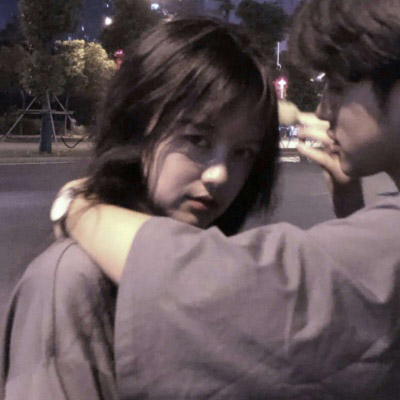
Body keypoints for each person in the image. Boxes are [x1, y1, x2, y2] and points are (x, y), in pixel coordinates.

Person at [53, 0, 400, 398]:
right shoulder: (70, 277)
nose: (323, 109)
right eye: (197, 140)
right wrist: (351, 211)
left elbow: (233, 289)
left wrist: (77, 207)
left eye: (338, 85)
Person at [0, 18, 281, 400]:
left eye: (243, 153)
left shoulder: (214, 261)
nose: (220, 174)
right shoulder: (73, 280)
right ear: (138, 126)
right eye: (197, 139)